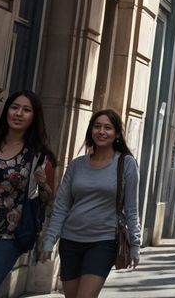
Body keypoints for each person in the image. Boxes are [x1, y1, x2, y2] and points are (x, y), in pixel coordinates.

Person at [40, 109, 139, 298]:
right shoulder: (76, 165)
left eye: (108, 128)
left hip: (103, 241)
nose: (101, 131)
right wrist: (49, 239)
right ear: (91, 131)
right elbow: (61, 206)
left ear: (116, 134)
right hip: (70, 241)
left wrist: (135, 243)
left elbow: (132, 208)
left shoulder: (126, 164)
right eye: (97, 126)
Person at [0, 90, 57, 298]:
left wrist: (43, 185)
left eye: (26, 110)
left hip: (8, 233)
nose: (19, 113)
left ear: (34, 116)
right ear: (7, 111)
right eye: (15, 107)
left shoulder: (40, 156)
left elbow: (47, 198)